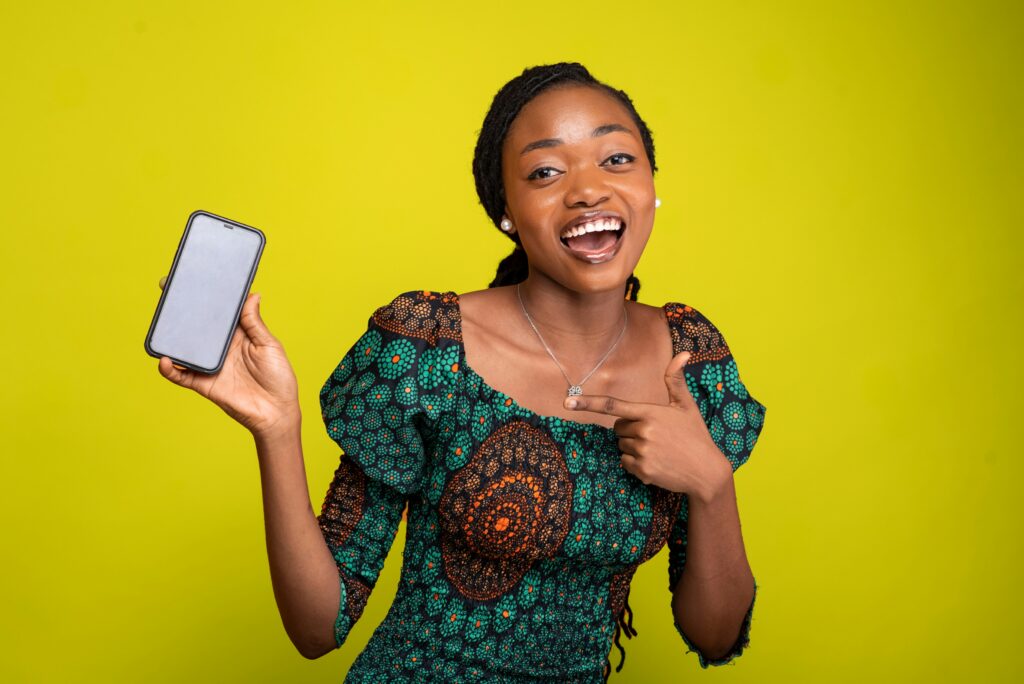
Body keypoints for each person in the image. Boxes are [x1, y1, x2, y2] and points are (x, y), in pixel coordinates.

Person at [156, 62, 767, 683]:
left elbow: (714, 637)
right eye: (546, 172)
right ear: (506, 211)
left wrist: (711, 483)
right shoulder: (427, 349)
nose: (588, 190)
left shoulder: (691, 363)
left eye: (616, 160)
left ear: (651, 186)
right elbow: (318, 627)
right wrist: (276, 428)